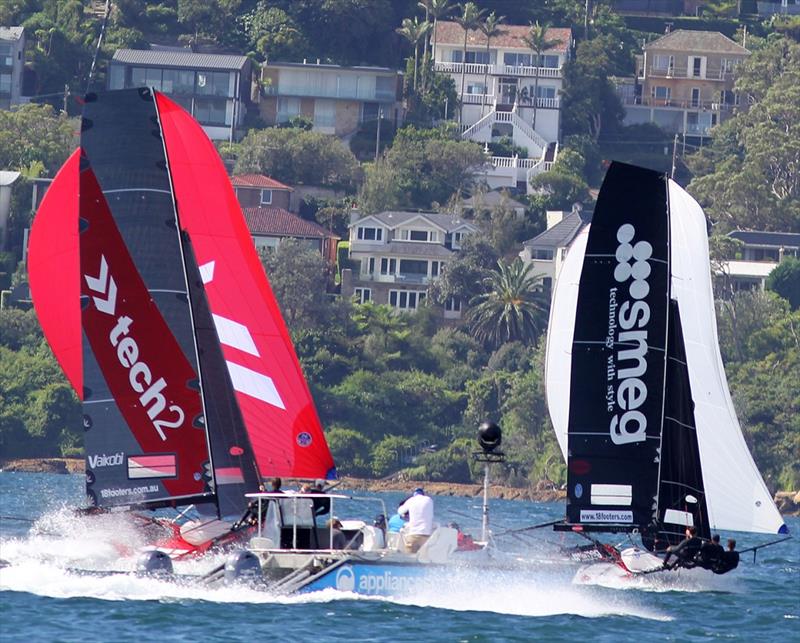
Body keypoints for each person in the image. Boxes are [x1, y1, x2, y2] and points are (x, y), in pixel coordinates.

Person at [397, 488, 434, 553]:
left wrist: (404, 515)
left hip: (414, 534)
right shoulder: (429, 500)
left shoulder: (411, 500)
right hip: (427, 535)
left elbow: (400, 511)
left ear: (414, 494)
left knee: (409, 557)